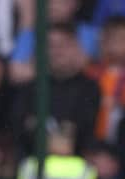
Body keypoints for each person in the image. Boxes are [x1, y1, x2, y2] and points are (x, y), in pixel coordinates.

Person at [11, 23, 101, 158]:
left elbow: (85, 132)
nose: (57, 51)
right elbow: (18, 130)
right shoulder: (29, 88)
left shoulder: (90, 89)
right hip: (33, 165)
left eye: (63, 45)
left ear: (76, 47)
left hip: (77, 166)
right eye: (51, 46)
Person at [9, 0, 99, 85]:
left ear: (76, 3)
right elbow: (17, 73)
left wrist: (42, 67)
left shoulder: (88, 33)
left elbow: (83, 66)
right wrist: (27, 18)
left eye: (61, 1)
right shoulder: (30, 31)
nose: (54, 6)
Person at [88, 15, 125, 143]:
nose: (116, 44)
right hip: (93, 136)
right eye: (111, 38)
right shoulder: (91, 73)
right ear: (102, 41)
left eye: (122, 39)